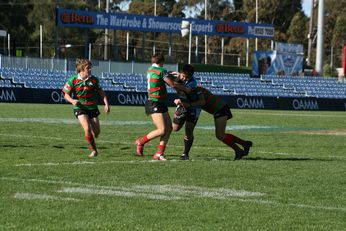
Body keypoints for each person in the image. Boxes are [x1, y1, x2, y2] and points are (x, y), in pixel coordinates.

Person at [174, 83, 253, 161]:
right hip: (220, 109)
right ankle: (245, 144)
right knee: (221, 134)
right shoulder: (195, 89)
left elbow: (201, 102)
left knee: (220, 135)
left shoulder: (196, 91)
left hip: (221, 109)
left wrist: (182, 103)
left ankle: (239, 151)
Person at [134, 53, 189, 161]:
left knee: (168, 129)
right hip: (154, 102)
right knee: (162, 130)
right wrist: (186, 89)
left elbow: (161, 76)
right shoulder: (161, 70)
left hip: (159, 102)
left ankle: (159, 153)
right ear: (162, 61)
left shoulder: (150, 69)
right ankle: (141, 141)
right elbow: (172, 84)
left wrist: (170, 74)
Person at [62, 58, 110, 157]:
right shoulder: (73, 80)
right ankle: (94, 150)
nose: (90, 70)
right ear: (82, 68)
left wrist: (106, 104)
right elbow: (65, 94)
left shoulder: (94, 80)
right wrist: (72, 101)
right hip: (79, 107)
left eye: (90, 68)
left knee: (97, 132)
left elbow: (101, 92)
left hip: (92, 107)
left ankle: (93, 134)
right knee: (87, 128)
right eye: (88, 68)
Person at [172, 64, 203, 160]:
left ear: (191, 76)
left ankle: (185, 154)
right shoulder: (179, 76)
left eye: (187, 77)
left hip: (193, 106)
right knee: (175, 128)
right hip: (182, 106)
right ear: (181, 73)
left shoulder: (192, 83)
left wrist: (179, 101)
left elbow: (184, 89)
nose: (185, 79)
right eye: (183, 76)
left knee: (188, 130)